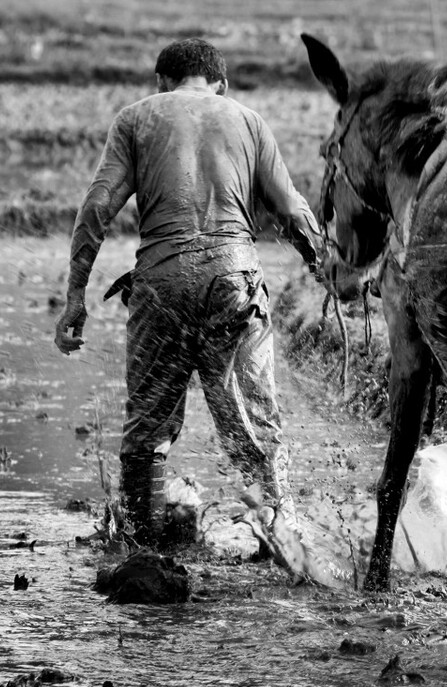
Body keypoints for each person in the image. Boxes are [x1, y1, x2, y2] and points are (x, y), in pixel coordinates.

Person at [54, 38, 321, 550]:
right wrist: (326, 271)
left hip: (161, 283)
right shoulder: (247, 120)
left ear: (162, 82)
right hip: (235, 281)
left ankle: (141, 550)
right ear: (221, 84)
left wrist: (75, 298)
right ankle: (285, 545)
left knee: (147, 429)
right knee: (255, 427)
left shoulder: (136, 118)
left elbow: (95, 210)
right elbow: (291, 209)